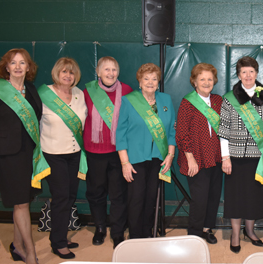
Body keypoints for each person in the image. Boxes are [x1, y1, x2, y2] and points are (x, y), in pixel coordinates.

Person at [0, 48, 46, 264]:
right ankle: (29, 252)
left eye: (22, 63)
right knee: (21, 204)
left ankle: (17, 245)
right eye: (13, 63)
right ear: (6, 67)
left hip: (30, 154)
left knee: (23, 201)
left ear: (29, 67)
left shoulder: (32, 90)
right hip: (8, 156)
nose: (18, 67)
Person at [218, 56, 263, 253]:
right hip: (235, 157)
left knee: (254, 196)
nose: (247, 75)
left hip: (260, 156)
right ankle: (236, 233)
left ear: (256, 73)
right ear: (238, 75)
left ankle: (250, 231)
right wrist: (225, 157)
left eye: (251, 71)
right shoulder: (229, 98)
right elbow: (223, 130)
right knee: (236, 197)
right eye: (243, 72)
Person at [116, 63, 176, 239]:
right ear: (140, 82)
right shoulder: (129, 101)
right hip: (134, 159)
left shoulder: (165, 100)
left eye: (154, 78)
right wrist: (124, 163)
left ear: (158, 82)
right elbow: (120, 135)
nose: (150, 82)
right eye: (146, 79)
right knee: (136, 200)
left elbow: (172, 131)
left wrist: (170, 155)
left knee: (150, 200)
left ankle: (147, 233)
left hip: (157, 158)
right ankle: (135, 238)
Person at [39, 57, 87, 259]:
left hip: (74, 153)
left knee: (70, 196)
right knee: (61, 197)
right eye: (64, 71)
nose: (68, 76)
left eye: (72, 72)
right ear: (56, 73)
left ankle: (61, 235)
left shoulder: (79, 94)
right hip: (53, 154)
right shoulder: (43, 94)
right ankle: (58, 243)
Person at [84, 56, 133, 249]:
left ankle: (117, 232)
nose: (110, 73)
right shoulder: (88, 91)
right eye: (106, 69)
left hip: (118, 152)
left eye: (114, 69)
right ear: (98, 72)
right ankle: (100, 227)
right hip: (94, 151)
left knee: (118, 194)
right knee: (96, 193)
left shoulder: (127, 91)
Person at [176, 63, 223, 244]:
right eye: (202, 79)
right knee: (199, 199)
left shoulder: (218, 101)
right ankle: (195, 234)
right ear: (194, 81)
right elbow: (182, 133)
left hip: (216, 157)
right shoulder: (187, 102)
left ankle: (207, 229)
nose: (206, 82)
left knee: (213, 197)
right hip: (196, 158)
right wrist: (190, 159)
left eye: (210, 79)